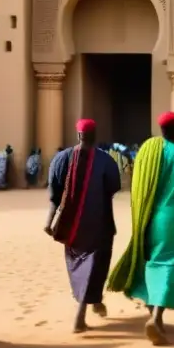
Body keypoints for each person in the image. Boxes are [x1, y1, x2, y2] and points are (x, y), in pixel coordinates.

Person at [108, 111, 174, 346]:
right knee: (171, 265)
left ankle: (156, 318)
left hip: (150, 217)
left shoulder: (147, 154)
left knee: (151, 264)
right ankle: (156, 316)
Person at [46, 119, 121, 333]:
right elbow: (113, 188)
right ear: (94, 135)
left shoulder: (61, 159)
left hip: (72, 227)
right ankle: (80, 314)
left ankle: (95, 301)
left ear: (78, 135)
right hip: (100, 224)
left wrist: (49, 221)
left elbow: (54, 194)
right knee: (96, 267)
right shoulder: (106, 161)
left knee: (78, 266)